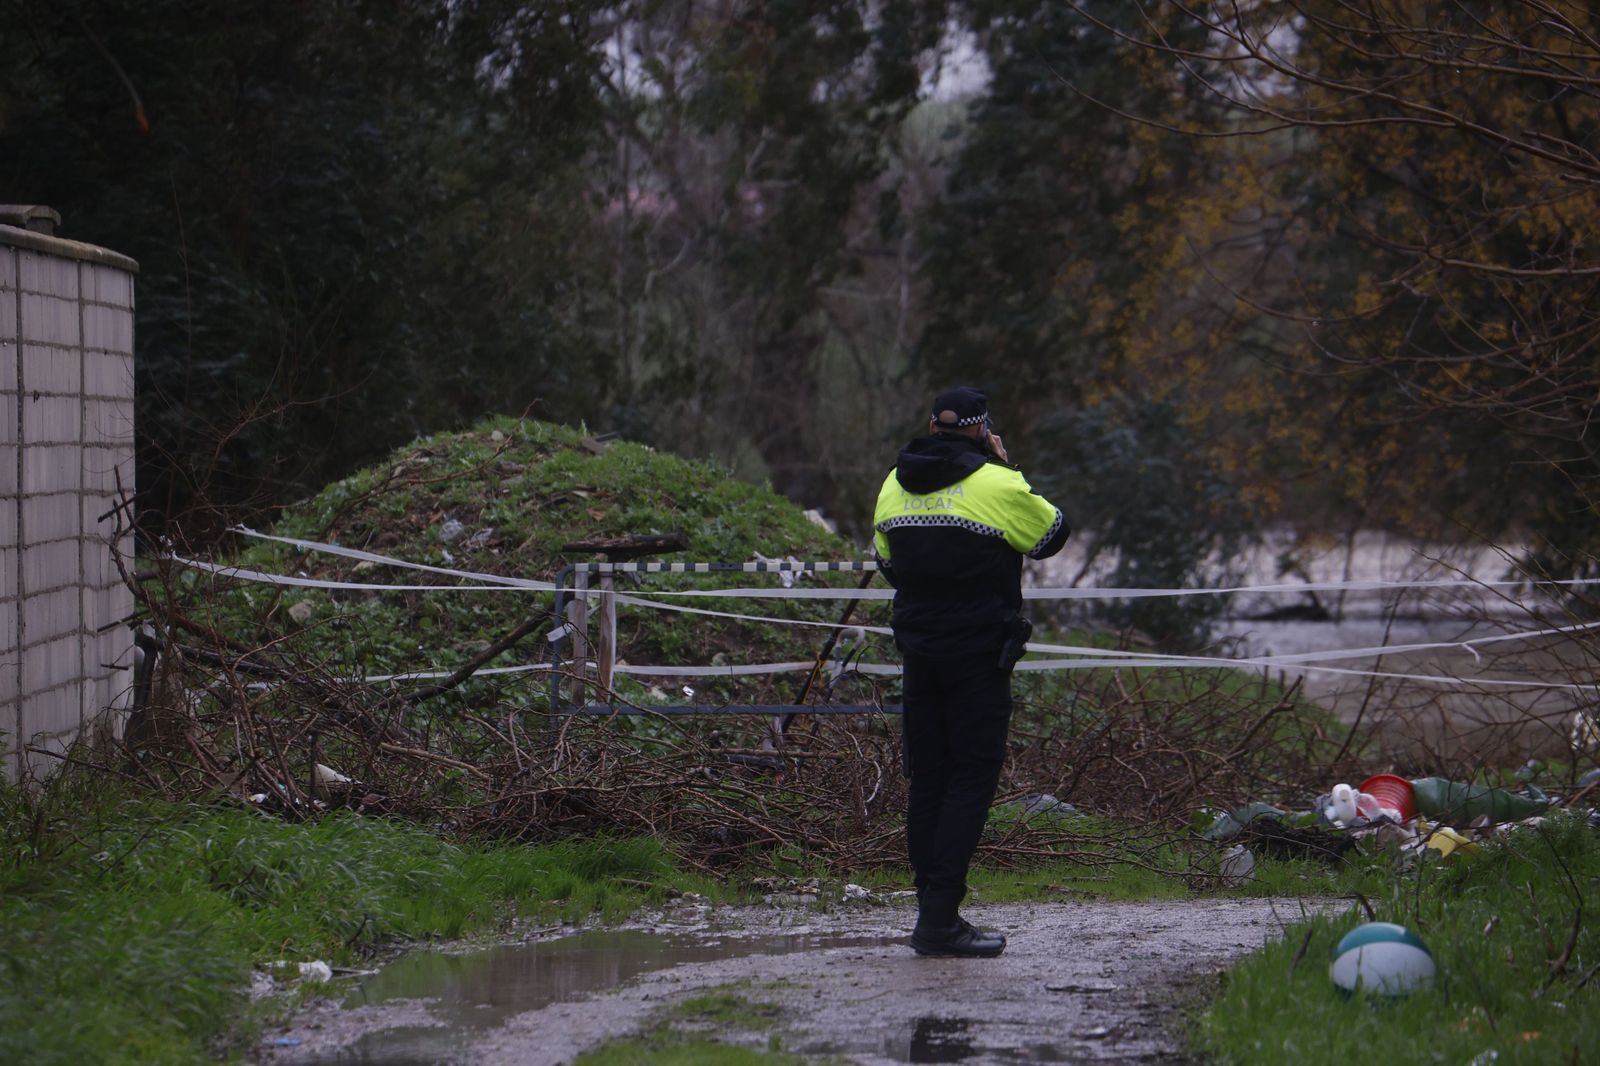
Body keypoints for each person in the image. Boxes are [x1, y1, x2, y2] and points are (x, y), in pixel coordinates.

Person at [871, 386, 1070, 957]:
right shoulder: (998, 482)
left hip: (919, 654)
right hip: (980, 655)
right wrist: (1004, 468)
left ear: (932, 428)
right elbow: (1053, 535)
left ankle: (929, 909)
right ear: (984, 431)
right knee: (970, 780)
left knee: (928, 779)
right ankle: (938, 921)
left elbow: (887, 563)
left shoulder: (893, 482)